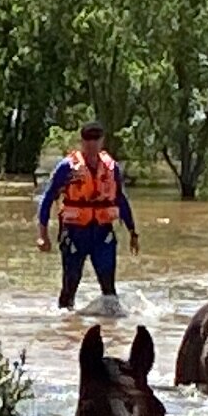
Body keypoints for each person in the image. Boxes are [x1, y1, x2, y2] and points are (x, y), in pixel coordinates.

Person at [35, 122, 141, 311]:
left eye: (96, 139)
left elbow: (120, 199)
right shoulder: (67, 167)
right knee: (69, 287)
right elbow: (48, 198)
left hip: (102, 234)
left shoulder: (112, 168)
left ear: (102, 141)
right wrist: (42, 235)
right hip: (75, 233)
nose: (91, 144)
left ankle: (110, 332)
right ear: (82, 141)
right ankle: (65, 330)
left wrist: (133, 232)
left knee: (109, 290)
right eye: (87, 140)